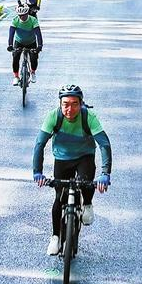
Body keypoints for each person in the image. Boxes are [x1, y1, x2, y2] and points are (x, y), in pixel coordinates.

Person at [33, 85, 112, 255]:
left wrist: (105, 173)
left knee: (86, 182)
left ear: (81, 103)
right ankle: (55, 237)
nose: (70, 109)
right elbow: (39, 144)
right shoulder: (53, 117)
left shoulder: (88, 116)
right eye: (66, 104)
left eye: (75, 104)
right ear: (60, 104)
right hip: (62, 159)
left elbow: (104, 144)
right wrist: (37, 172)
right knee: (58, 197)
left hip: (85, 156)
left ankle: (87, 204)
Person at [8, 4, 43, 85]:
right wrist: (10, 45)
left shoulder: (33, 20)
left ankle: (33, 72)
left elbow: (38, 34)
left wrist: (39, 46)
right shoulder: (15, 20)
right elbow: (11, 34)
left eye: (24, 15)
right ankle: (16, 76)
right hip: (19, 42)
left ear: (27, 13)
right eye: (20, 15)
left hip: (31, 42)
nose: (22, 17)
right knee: (15, 57)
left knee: (34, 57)